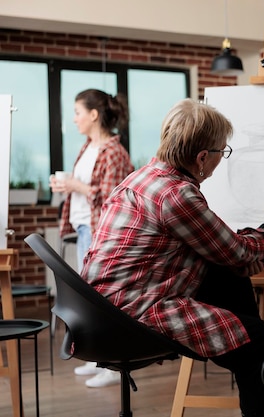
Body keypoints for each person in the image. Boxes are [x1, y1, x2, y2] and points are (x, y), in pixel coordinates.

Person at [80, 98, 264, 417]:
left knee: (225, 274)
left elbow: (228, 253)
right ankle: (254, 360)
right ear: (201, 158)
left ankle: (244, 354)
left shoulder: (143, 177)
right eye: (222, 153)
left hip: (98, 308)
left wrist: (240, 248)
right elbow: (241, 254)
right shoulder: (176, 194)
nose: (221, 160)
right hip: (131, 315)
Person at [49, 88, 134, 388]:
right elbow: (85, 189)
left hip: (102, 232)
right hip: (86, 228)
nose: (74, 119)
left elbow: (113, 199)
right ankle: (101, 360)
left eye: (77, 112)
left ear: (94, 115)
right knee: (92, 297)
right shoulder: (87, 147)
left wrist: (77, 186)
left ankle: (113, 366)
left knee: (104, 299)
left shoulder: (113, 151)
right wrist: (68, 187)